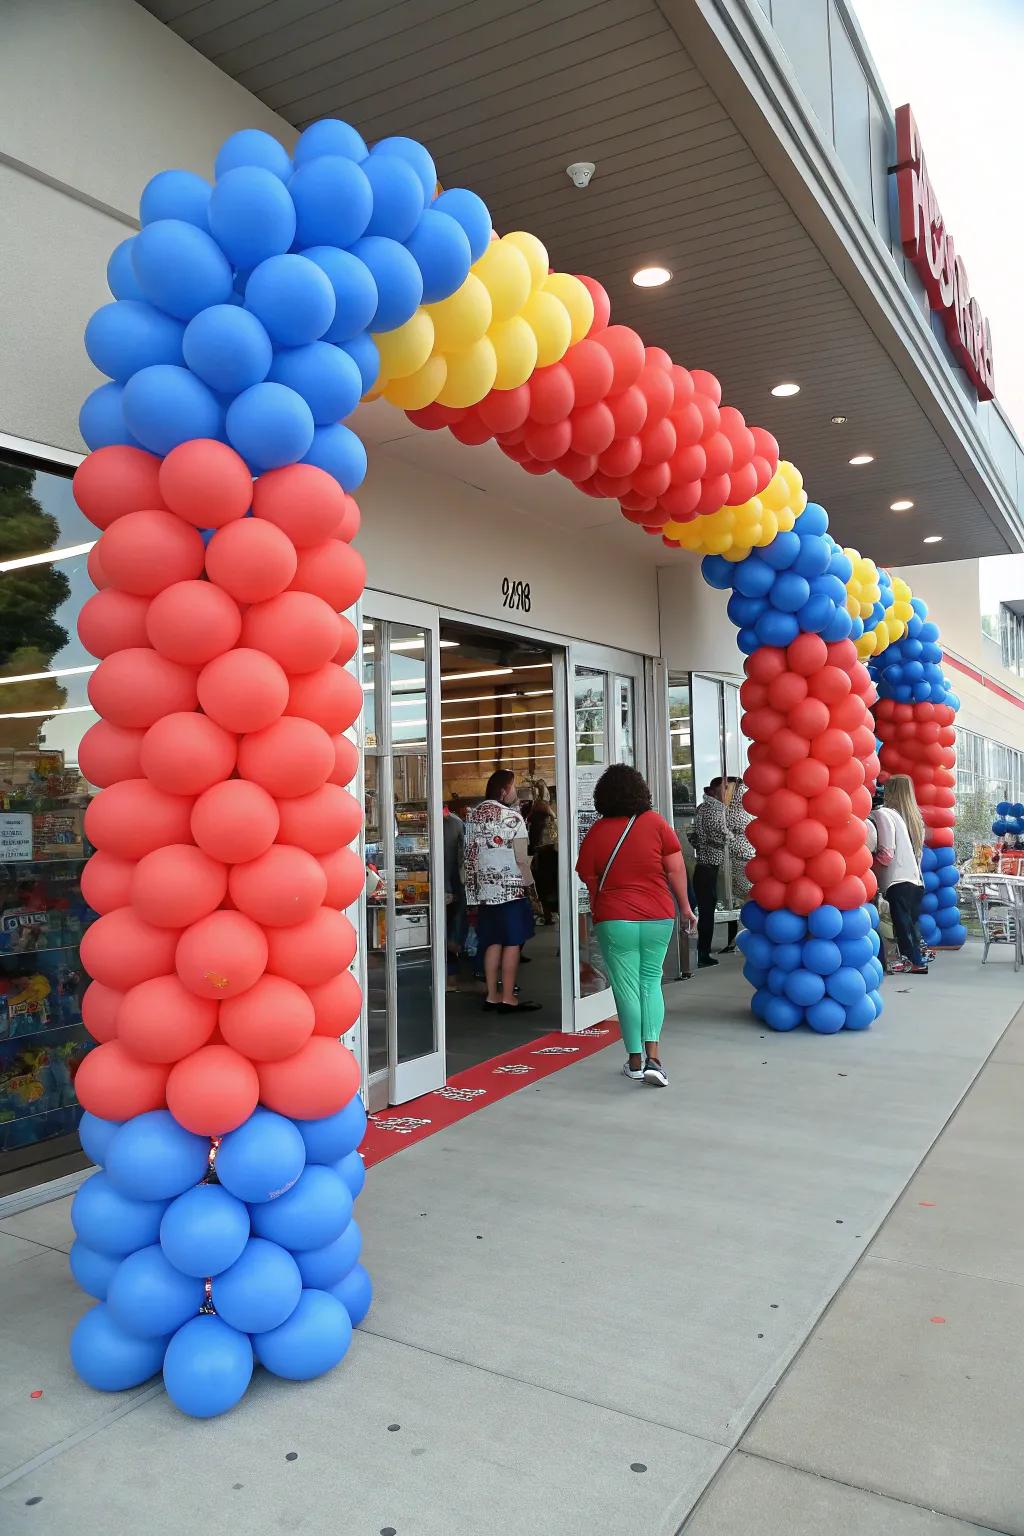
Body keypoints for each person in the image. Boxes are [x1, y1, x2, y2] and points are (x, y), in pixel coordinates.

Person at [576, 764, 697, 1087]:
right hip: (657, 914)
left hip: (615, 918)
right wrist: (685, 908)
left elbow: (588, 877)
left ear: (603, 796)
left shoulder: (597, 832)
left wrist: (600, 904)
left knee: (627, 988)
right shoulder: (656, 824)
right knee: (650, 983)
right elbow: (676, 871)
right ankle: (654, 1058)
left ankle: (633, 1061)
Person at [463, 769, 541, 1012]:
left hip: (485, 892)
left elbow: (469, 857)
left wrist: (473, 893)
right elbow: (521, 859)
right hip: (511, 891)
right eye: (514, 787)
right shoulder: (513, 818)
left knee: (492, 942)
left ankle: (492, 995)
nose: (515, 792)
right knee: (512, 943)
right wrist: (531, 888)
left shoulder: (474, 817)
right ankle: (508, 996)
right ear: (504, 790)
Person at [871, 775, 928, 974]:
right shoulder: (913, 820)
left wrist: (868, 860)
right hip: (915, 878)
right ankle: (917, 958)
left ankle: (912, 960)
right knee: (911, 925)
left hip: (897, 880)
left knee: (900, 925)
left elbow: (887, 854)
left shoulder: (885, 814)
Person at [688, 777, 732, 967]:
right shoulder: (716, 810)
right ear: (715, 791)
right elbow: (723, 835)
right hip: (710, 867)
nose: (728, 793)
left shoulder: (702, 808)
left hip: (703, 866)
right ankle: (703, 954)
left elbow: (692, 835)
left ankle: (703, 952)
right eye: (725, 788)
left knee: (706, 911)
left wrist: (702, 847)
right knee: (707, 912)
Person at [719, 777, 753, 954]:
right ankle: (740, 938)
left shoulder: (729, 811)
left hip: (737, 859)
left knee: (743, 901)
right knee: (747, 901)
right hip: (745, 858)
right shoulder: (743, 810)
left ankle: (738, 938)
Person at [528, 779, 559, 924]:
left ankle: (548, 914)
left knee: (544, 887)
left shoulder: (536, 813)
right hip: (547, 853)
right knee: (548, 886)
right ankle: (549, 914)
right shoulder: (545, 812)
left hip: (541, 853)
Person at [442, 806, 466, 991]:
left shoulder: (454, 823)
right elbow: (463, 860)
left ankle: (445, 976)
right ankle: (451, 978)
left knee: (440, 933)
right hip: (452, 886)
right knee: (450, 930)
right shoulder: (457, 823)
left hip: (437, 886)